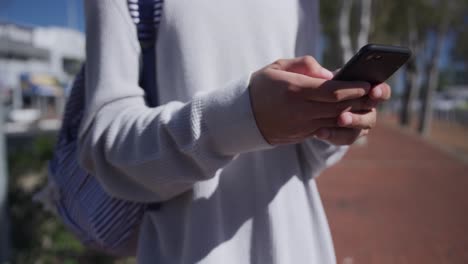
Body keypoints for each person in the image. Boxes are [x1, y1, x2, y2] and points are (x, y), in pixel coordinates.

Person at [79, 0, 390, 263]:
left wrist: (329, 122)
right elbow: (105, 148)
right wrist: (242, 118)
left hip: (302, 246)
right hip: (191, 250)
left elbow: (305, 161)